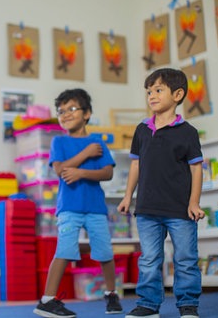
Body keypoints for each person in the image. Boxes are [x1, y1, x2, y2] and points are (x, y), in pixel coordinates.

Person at [117, 68, 204, 318]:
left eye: (158, 90)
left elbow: (196, 169)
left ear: (177, 94)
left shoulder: (188, 132)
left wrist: (194, 202)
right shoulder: (142, 130)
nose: (151, 96)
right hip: (146, 209)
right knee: (149, 259)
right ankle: (148, 305)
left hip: (180, 209)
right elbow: (136, 164)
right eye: (148, 92)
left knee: (186, 259)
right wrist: (127, 196)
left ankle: (188, 304)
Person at [34, 88, 123, 318]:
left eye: (71, 108)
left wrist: (81, 173)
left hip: (95, 208)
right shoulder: (59, 142)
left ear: (87, 113)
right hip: (69, 209)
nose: (65, 114)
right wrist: (85, 154)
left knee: (104, 252)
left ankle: (112, 293)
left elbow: (107, 173)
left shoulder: (97, 142)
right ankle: (47, 300)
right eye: (61, 111)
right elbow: (60, 169)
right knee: (64, 250)